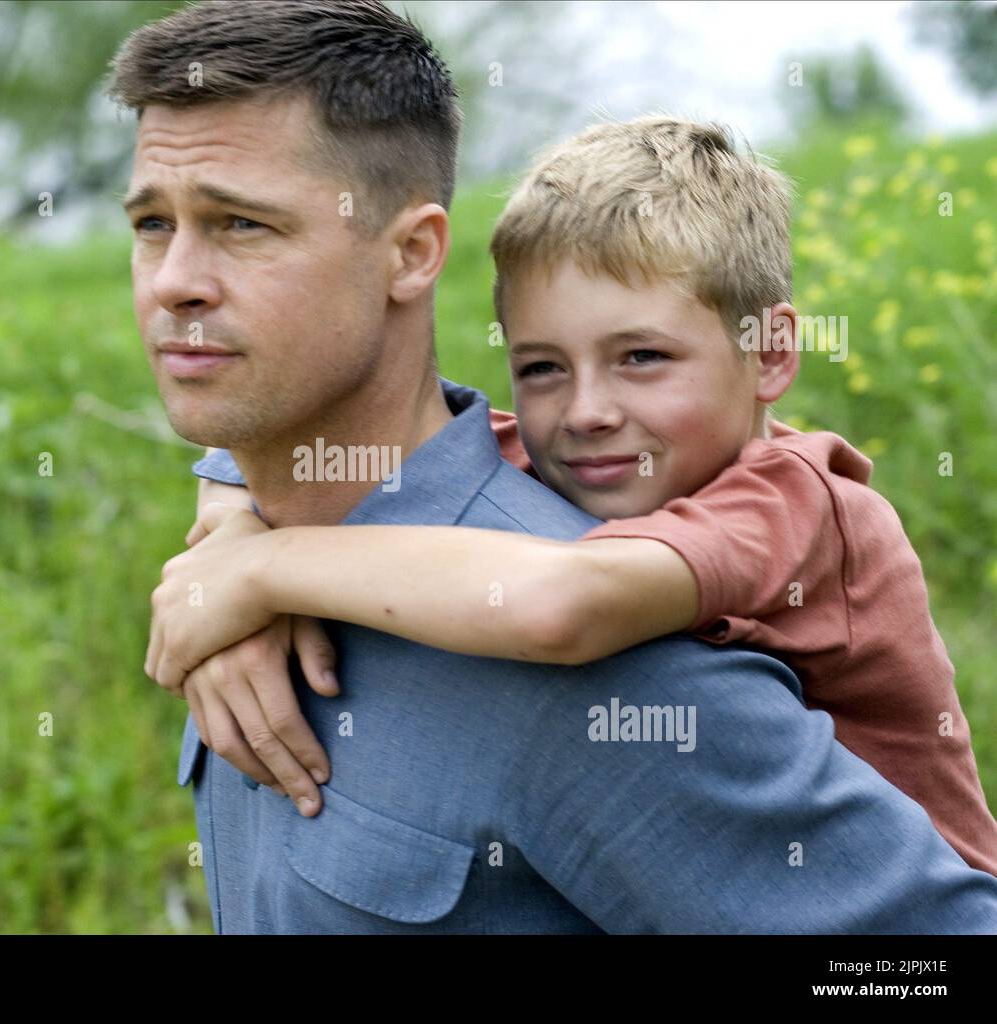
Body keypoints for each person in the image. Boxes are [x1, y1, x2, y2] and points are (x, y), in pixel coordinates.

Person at [118, 0, 997, 932]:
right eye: (150, 224)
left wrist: (254, 570)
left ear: (412, 253)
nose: (175, 280)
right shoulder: (262, 555)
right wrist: (235, 530)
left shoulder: (625, 662)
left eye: (243, 224)